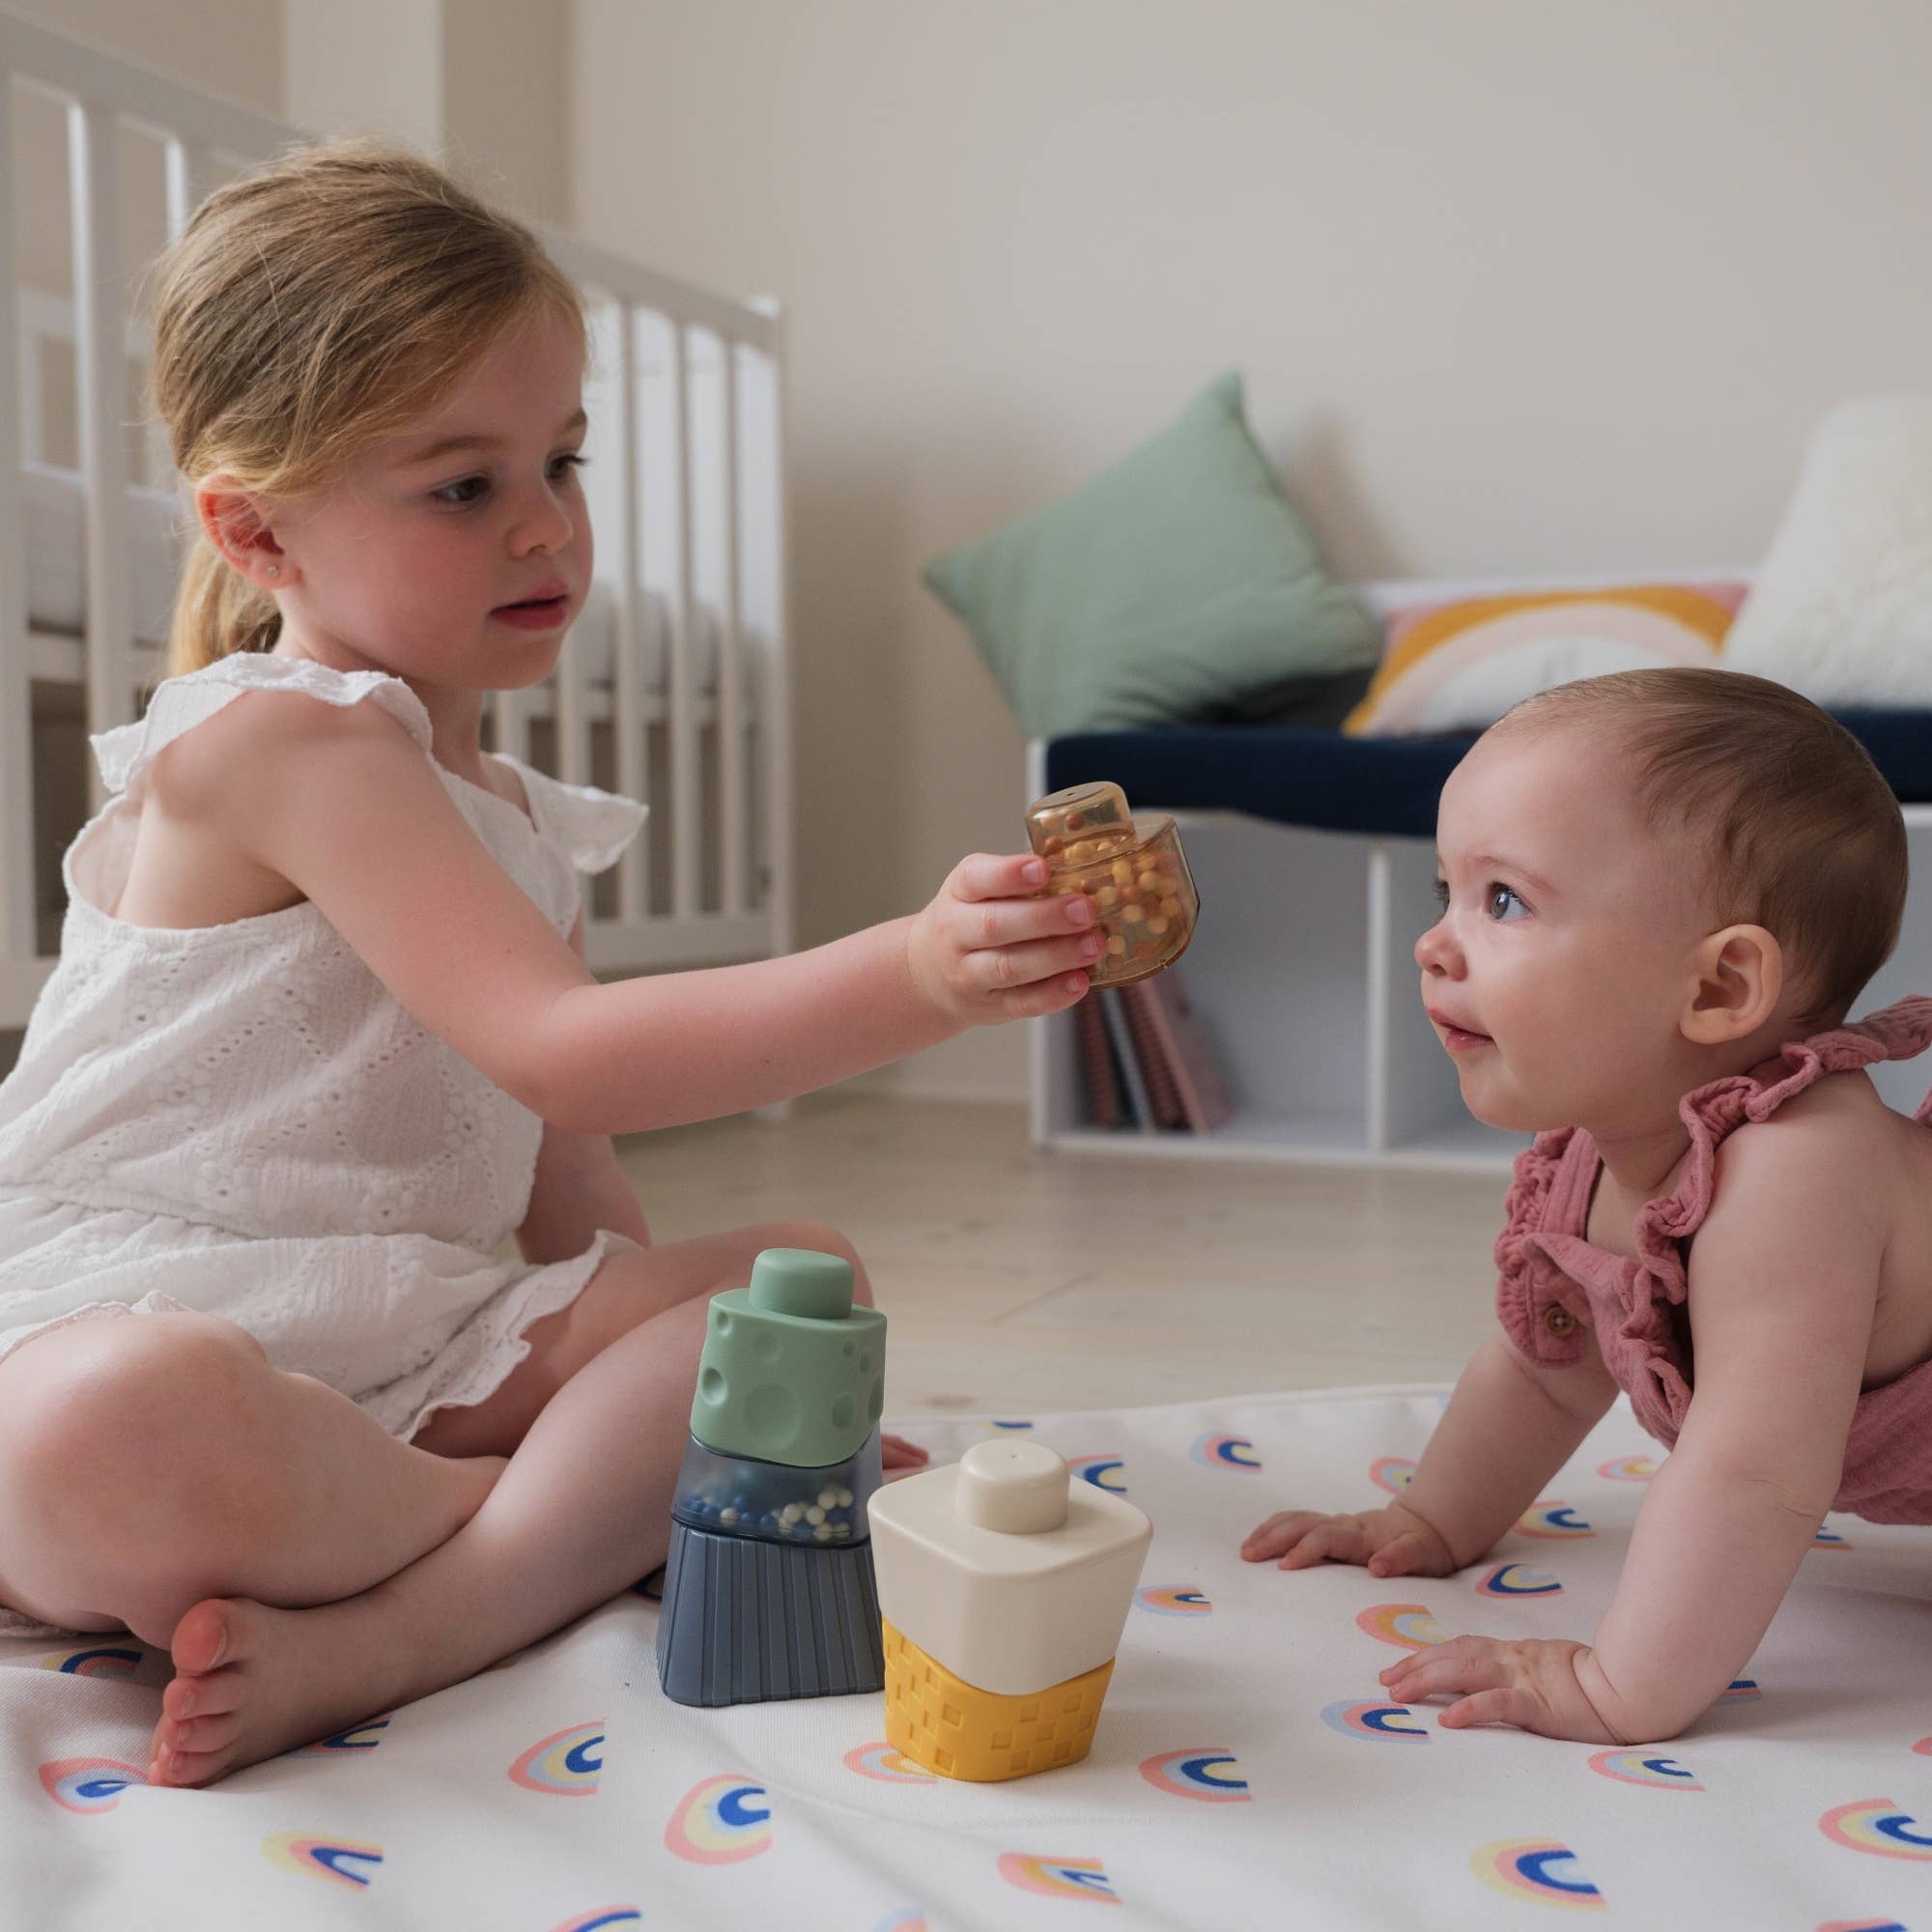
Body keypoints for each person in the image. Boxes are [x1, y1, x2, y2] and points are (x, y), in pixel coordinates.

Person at [0, 143, 1100, 1788]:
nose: (545, 527)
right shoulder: (281, 746)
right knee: (114, 1425)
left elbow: (565, 1174)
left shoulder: (512, 815)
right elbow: (565, 1051)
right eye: (464, 487)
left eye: (563, 463)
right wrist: (919, 978)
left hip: (405, 1343)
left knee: (787, 1283)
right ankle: (524, 1554)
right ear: (259, 531)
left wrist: (660, 1356)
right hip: (145, 1318)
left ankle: (421, 1597)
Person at [1243, 666, 1932, 1745]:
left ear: (1714, 989)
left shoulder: (1795, 1170)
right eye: (1445, 893)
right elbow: (1543, 1365)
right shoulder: (1591, 1154)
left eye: (1503, 899)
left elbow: (1754, 1470)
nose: (1434, 943)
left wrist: (1620, 1683)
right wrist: (1432, 1516)